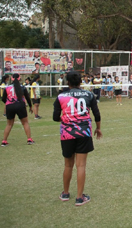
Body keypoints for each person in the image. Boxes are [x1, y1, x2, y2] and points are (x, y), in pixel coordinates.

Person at [53, 71, 102, 206]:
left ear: (68, 82)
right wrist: (98, 128)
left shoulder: (61, 96)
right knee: (81, 165)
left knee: (68, 165)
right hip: (84, 132)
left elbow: (55, 117)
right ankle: (80, 197)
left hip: (67, 134)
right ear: (80, 82)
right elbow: (97, 114)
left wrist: (67, 120)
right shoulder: (88, 94)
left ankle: (65, 193)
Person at [1, 73, 35, 146]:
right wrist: (30, 106)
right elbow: (27, 98)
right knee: (25, 123)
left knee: (9, 124)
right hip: (20, 105)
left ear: (12, 78)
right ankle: (29, 139)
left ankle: (4, 141)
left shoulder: (7, 87)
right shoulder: (22, 87)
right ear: (19, 78)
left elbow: (3, 99)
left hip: (9, 106)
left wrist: (9, 103)